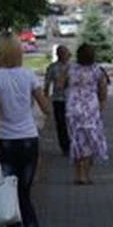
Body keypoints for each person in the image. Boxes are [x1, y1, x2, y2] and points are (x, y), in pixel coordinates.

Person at [0, 32, 51, 227]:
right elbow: (45, 107)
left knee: (11, 199)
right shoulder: (29, 76)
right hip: (29, 140)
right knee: (25, 196)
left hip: (6, 142)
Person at [65, 42, 108, 184]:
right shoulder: (97, 70)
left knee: (76, 141)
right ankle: (86, 175)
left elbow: (60, 84)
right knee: (90, 142)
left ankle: (77, 175)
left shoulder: (70, 69)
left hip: (73, 109)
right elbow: (103, 91)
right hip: (91, 109)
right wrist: (101, 106)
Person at [43, 45, 71, 155]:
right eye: (63, 53)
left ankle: (74, 143)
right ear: (58, 55)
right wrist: (46, 99)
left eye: (66, 53)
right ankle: (65, 146)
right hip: (58, 99)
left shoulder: (73, 67)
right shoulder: (52, 67)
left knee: (72, 123)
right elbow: (47, 83)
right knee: (61, 124)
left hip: (71, 99)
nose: (66, 55)